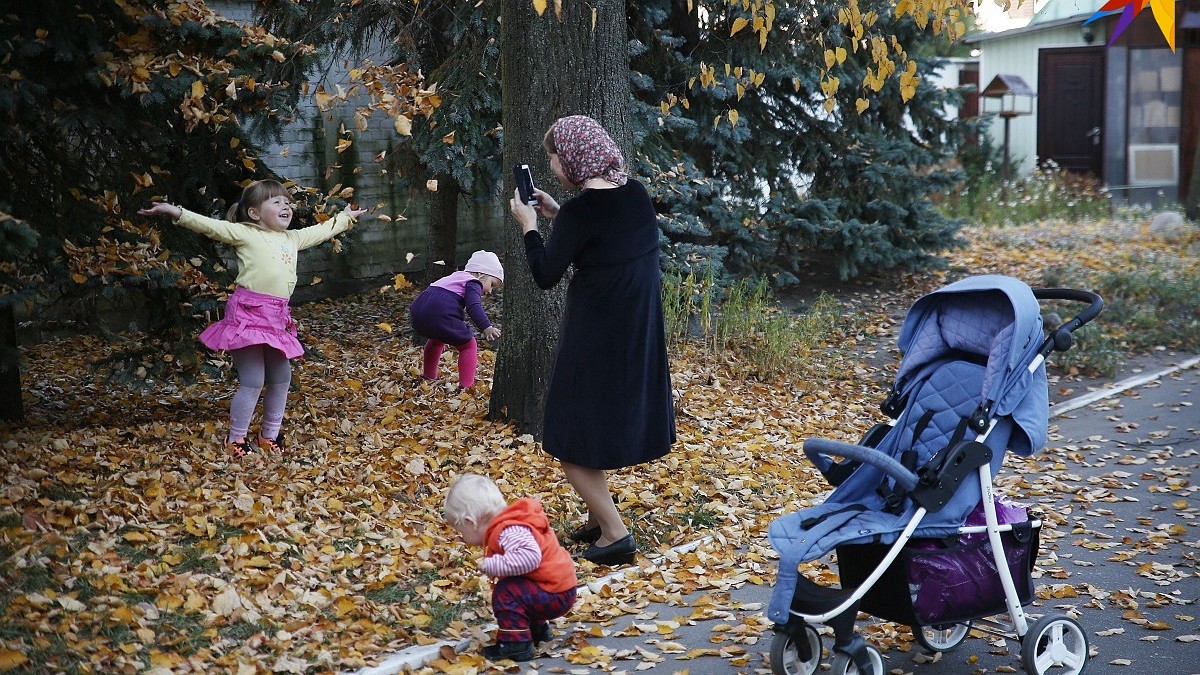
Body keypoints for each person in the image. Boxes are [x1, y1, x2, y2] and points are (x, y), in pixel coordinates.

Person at [508, 115, 676, 566]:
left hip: (594, 337)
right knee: (587, 429)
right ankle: (601, 519)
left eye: (554, 158)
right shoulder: (635, 195)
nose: (552, 166)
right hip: (633, 335)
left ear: (572, 160)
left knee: (568, 437)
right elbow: (606, 240)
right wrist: (558, 215)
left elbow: (546, 275)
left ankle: (616, 535)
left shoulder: (582, 213)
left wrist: (529, 224)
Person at [138, 180, 367, 458]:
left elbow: (320, 231)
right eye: (276, 202)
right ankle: (236, 439)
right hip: (248, 314)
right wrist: (177, 213)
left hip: (276, 318)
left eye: (286, 202)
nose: (285, 206)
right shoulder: (245, 234)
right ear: (256, 213)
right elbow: (211, 226)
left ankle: (268, 436)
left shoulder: (291, 239)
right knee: (253, 380)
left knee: (282, 377)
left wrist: (345, 218)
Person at [444, 472, 577, 662]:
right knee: (519, 585)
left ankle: (515, 645)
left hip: (554, 593)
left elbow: (530, 558)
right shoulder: (513, 523)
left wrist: (493, 565)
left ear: (470, 522)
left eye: (460, 531)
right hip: (559, 587)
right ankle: (536, 631)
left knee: (506, 592)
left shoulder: (508, 530)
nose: (460, 537)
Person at [409, 251, 503, 390]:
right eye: (492, 284)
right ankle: (466, 386)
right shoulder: (473, 282)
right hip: (439, 313)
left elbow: (447, 301)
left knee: (436, 340)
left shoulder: (455, 277)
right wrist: (486, 327)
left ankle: (428, 376)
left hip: (418, 313)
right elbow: (473, 306)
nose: (490, 291)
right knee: (469, 345)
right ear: (481, 273)